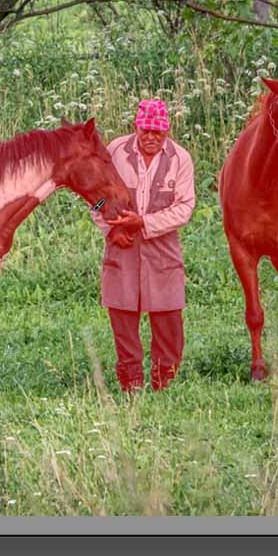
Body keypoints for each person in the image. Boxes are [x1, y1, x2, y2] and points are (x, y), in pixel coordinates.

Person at [91, 99, 195, 392]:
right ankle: (131, 383)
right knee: (123, 318)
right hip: (121, 248)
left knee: (168, 320)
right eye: (145, 130)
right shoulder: (115, 152)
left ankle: (166, 383)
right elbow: (96, 199)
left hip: (163, 252)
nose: (150, 137)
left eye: (157, 132)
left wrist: (144, 224)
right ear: (135, 127)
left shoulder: (180, 159)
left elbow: (185, 208)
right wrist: (110, 232)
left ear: (167, 131)